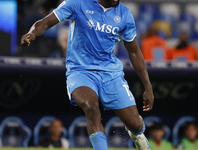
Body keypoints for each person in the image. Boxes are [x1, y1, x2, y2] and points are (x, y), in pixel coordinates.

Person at [21, 0, 154, 150]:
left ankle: (136, 134)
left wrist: (147, 86)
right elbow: (45, 22)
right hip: (80, 71)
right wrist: (31, 33)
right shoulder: (77, 3)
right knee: (91, 108)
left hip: (111, 73)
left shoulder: (125, 14)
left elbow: (134, 51)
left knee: (134, 123)